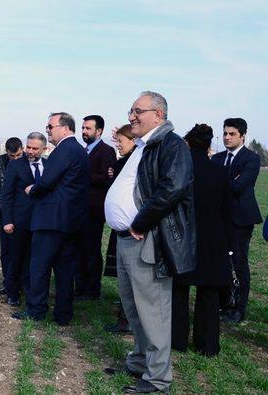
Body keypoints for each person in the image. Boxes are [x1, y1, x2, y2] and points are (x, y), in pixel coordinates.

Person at [104, 91, 195, 394]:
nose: (131, 117)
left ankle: (157, 380)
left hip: (147, 239)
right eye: (130, 110)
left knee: (153, 312)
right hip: (127, 239)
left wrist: (141, 221)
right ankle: (140, 362)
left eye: (137, 111)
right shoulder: (145, 146)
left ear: (158, 114)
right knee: (133, 309)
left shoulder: (172, 144)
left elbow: (173, 187)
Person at [11, 112, 89, 325]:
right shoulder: (81, 152)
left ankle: (36, 310)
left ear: (65, 128)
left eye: (50, 126)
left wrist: (31, 190)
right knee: (64, 271)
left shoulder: (63, 151)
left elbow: (46, 182)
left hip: (51, 220)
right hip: (71, 222)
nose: (47, 129)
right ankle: (63, 314)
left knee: (39, 267)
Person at [172, 124, 232, 357]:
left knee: (179, 289)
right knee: (209, 293)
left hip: (183, 236)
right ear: (209, 145)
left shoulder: (180, 169)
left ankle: (176, 340)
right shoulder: (220, 172)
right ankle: (207, 345)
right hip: (213, 237)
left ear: (187, 143)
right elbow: (227, 210)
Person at [211, 118, 263, 324]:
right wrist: (228, 182)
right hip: (219, 218)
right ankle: (225, 303)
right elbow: (217, 185)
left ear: (242, 136)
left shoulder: (252, 158)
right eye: (224, 133)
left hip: (240, 220)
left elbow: (239, 185)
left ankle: (240, 309)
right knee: (221, 261)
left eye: (231, 134)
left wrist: (222, 183)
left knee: (239, 263)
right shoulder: (217, 159)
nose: (226, 137)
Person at [1, 132, 48, 305]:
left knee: (35, 259)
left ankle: (30, 291)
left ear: (44, 148)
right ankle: (12, 293)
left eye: (35, 148)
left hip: (42, 222)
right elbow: (7, 195)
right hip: (20, 222)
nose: (31, 151)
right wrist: (7, 220)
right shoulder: (15, 166)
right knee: (16, 258)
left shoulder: (49, 166)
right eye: (28, 147)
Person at [76, 115, 116, 300]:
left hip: (93, 210)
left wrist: (81, 175)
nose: (84, 131)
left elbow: (105, 178)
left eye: (88, 129)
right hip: (79, 209)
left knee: (91, 250)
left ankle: (92, 290)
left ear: (99, 131)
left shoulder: (106, 151)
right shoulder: (82, 150)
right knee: (79, 250)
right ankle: (80, 287)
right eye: (83, 128)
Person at [103, 124, 136, 334]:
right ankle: (125, 317)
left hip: (132, 230)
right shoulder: (122, 162)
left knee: (131, 280)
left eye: (121, 141)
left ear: (133, 140)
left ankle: (127, 320)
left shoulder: (132, 163)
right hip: (123, 228)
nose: (118, 145)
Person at [0, 137, 24, 295]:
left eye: (18, 155)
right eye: (11, 156)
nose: (15, 159)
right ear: (6, 152)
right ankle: (8, 283)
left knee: (23, 248)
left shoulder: (29, 161)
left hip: (23, 212)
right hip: (4, 212)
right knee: (6, 249)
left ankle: (22, 283)